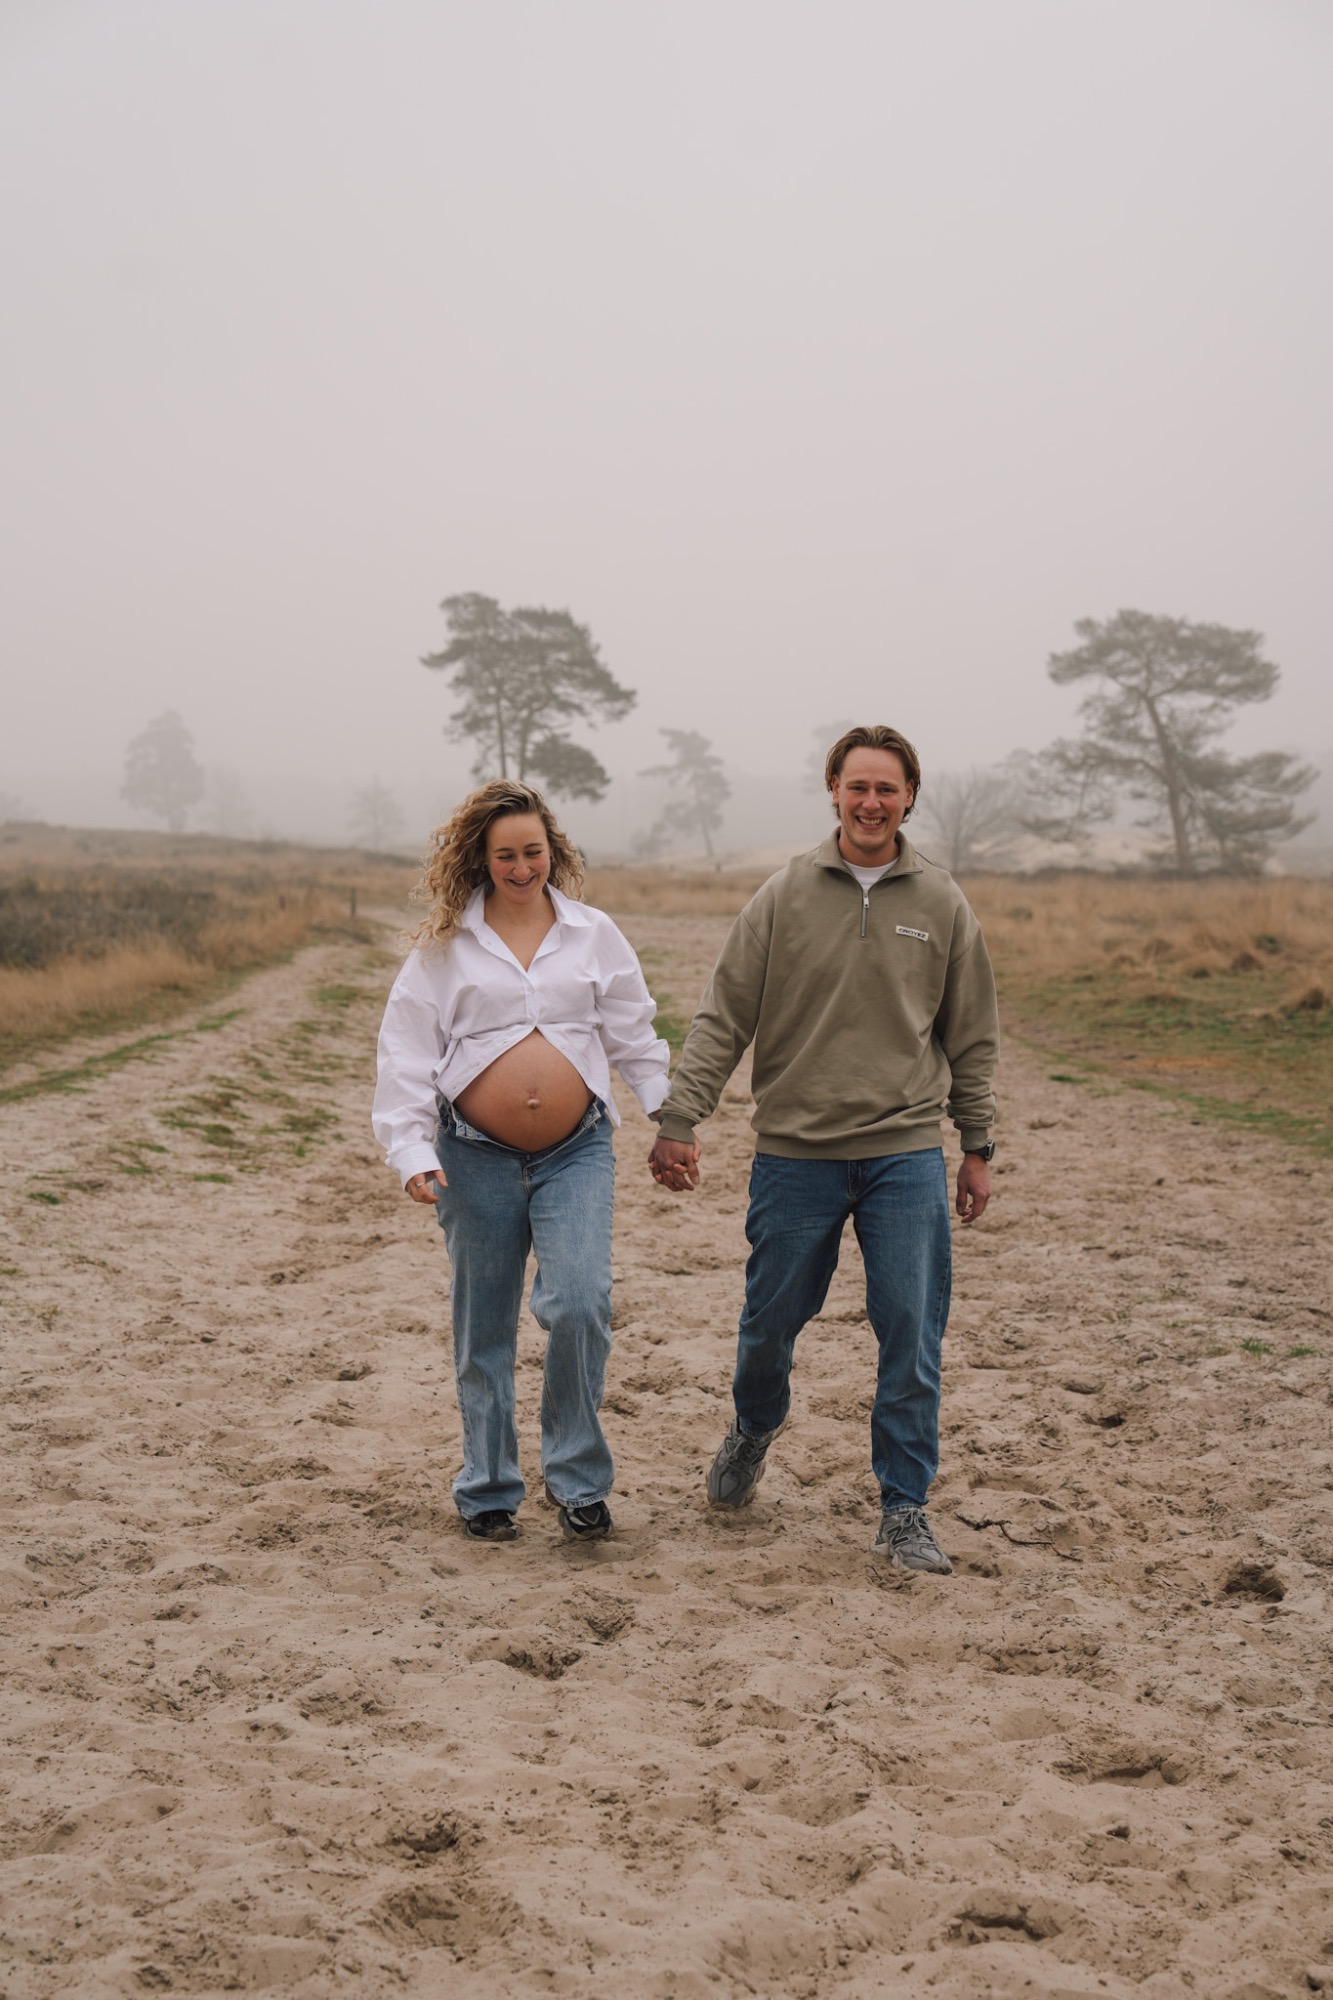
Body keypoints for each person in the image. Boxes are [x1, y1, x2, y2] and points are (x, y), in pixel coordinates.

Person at [648, 725, 999, 1574]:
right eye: (857, 787)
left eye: (887, 789)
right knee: (769, 1324)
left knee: (910, 1331)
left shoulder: (942, 903)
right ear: (833, 791)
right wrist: (679, 1117)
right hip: (794, 1153)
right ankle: (754, 1426)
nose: (871, 803)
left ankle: (904, 1507)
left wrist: (976, 1144)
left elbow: (972, 1036)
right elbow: (723, 1015)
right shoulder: (782, 895)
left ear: (909, 797)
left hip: (903, 1152)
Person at [374, 779, 670, 1545]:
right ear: (481, 859)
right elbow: (405, 1053)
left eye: (532, 851)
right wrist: (410, 1150)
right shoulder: (443, 948)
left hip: (577, 1153)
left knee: (579, 1304)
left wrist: (670, 1117)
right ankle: (488, 1486)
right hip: (471, 1158)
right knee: (485, 1327)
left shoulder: (593, 933)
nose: (520, 867)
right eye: (504, 855)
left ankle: (578, 1481)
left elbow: (634, 1034)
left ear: (553, 851)